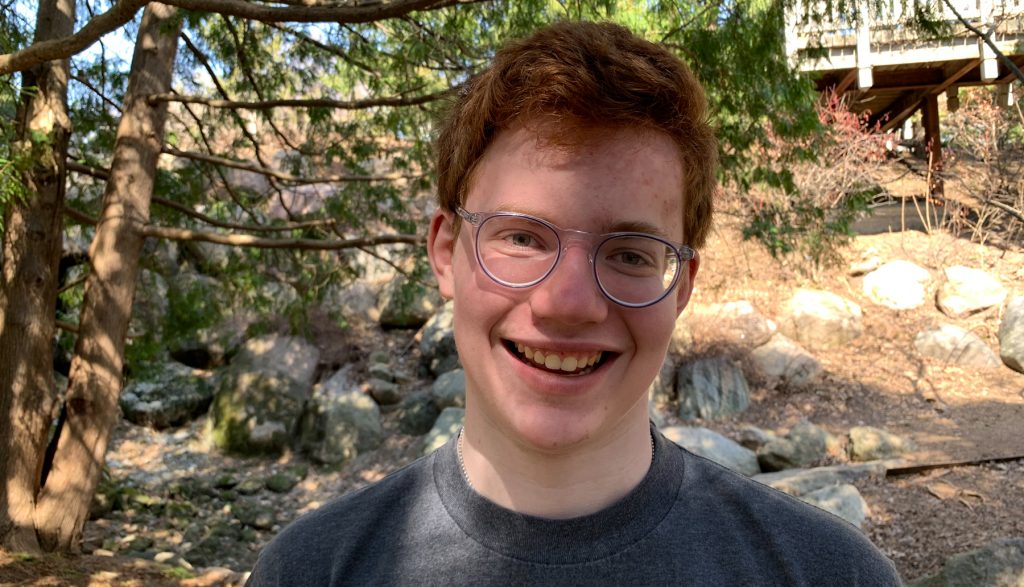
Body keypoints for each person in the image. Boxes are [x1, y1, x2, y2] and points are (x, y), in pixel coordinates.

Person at [247, 21, 902, 586]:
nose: (567, 303)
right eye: (523, 238)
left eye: (631, 253)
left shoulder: (830, 574)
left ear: (682, 286)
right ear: (446, 251)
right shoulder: (308, 572)